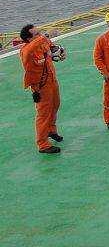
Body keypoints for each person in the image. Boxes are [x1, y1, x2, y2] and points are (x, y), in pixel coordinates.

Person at [19, 24, 64, 154]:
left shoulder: (42, 43)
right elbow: (30, 49)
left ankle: (51, 130)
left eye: (39, 33)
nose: (40, 36)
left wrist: (60, 53)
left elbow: (53, 47)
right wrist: (44, 36)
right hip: (40, 86)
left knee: (55, 106)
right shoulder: (26, 51)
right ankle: (42, 143)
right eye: (36, 34)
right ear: (28, 39)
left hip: (52, 81)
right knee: (43, 114)